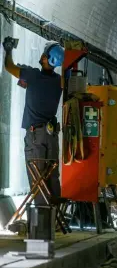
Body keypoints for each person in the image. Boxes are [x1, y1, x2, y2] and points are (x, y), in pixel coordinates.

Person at [3, 36, 64, 205]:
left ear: (45, 58)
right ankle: (55, 219)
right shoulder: (59, 82)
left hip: (35, 135)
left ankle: (41, 221)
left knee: (37, 174)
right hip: (51, 136)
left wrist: (8, 50)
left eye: (44, 54)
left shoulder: (32, 75)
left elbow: (9, 67)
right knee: (52, 174)